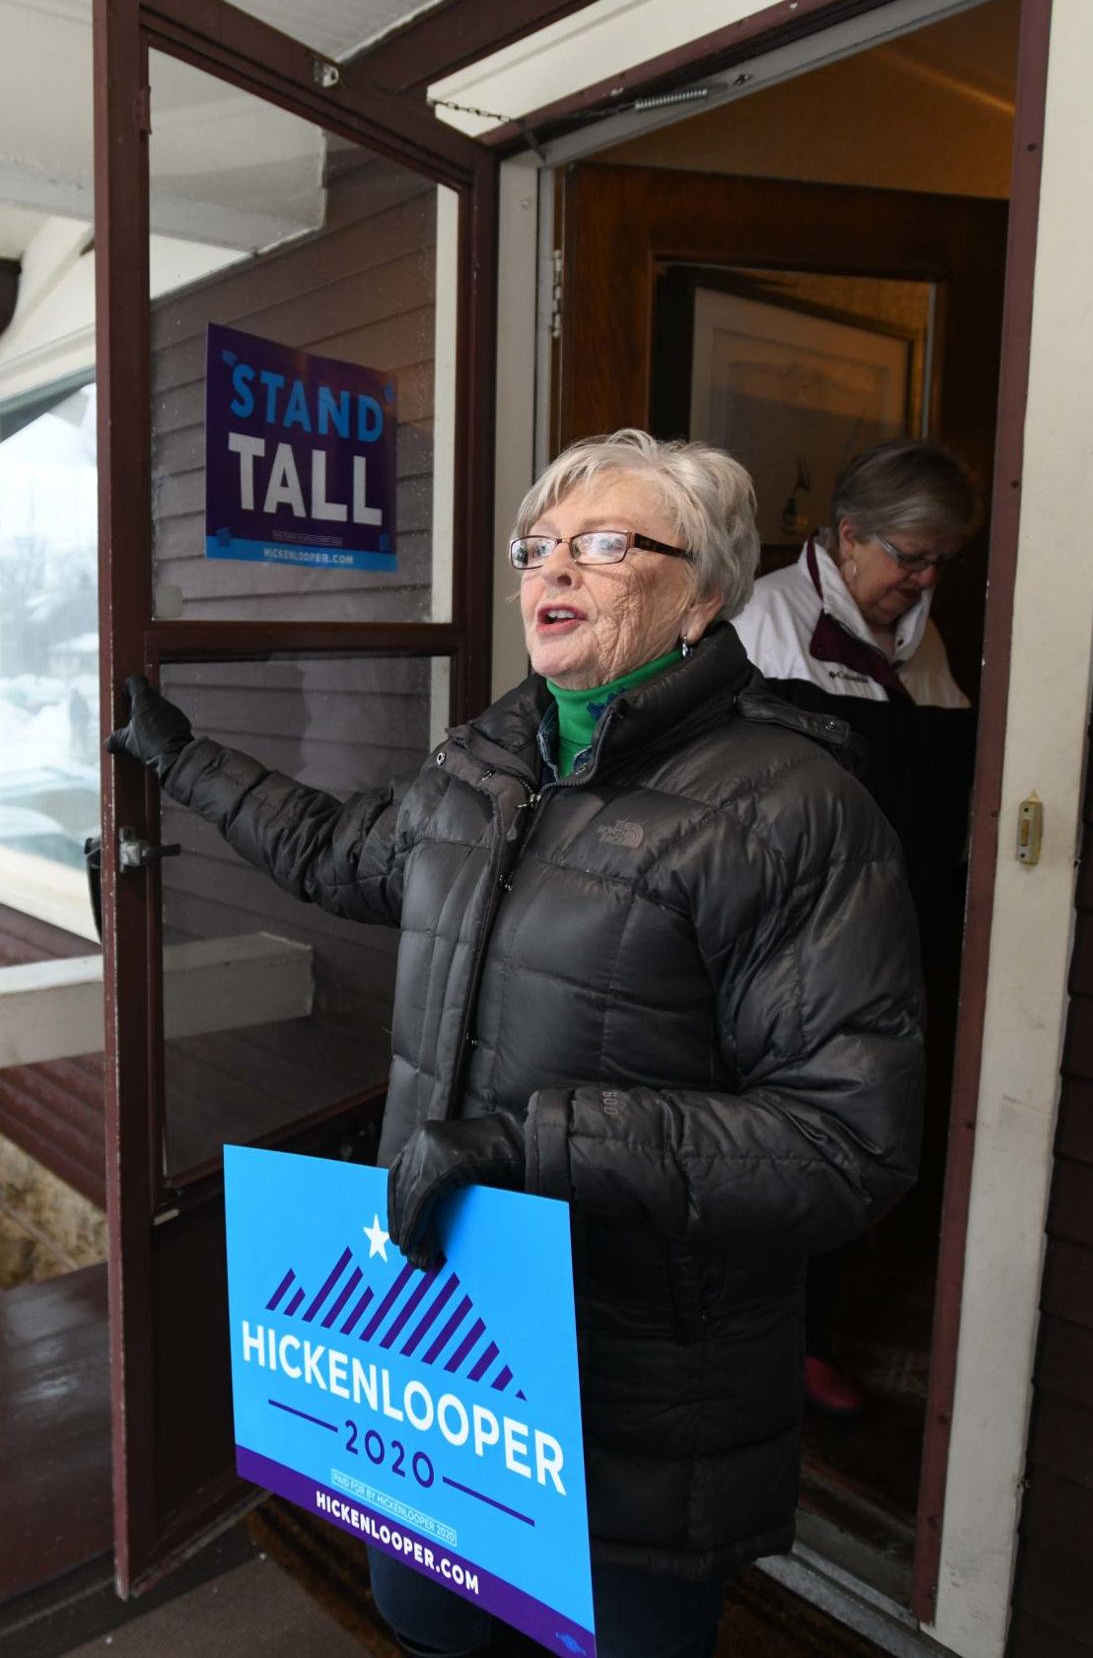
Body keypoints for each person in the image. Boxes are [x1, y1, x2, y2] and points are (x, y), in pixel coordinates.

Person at [108, 429, 923, 1658]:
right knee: (428, 1626)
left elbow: (845, 1140)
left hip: (639, 1410)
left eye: (605, 543)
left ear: (706, 590)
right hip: (448, 1375)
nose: (555, 566)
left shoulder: (789, 808)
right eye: (540, 544)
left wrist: (526, 1143)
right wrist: (180, 760)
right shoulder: (487, 762)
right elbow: (337, 853)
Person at [733, 436, 978, 1419]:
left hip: (897, 932)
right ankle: (771, 1346)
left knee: (861, 1132)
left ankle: (812, 1332)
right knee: (782, 1144)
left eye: (936, 562)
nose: (921, 580)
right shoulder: (765, 623)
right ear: (846, 536)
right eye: (909, 557)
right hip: (790, 944)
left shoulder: (924, 637)